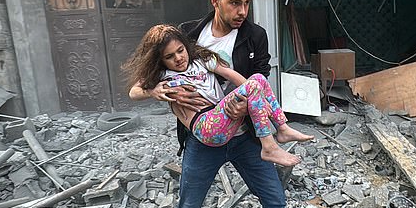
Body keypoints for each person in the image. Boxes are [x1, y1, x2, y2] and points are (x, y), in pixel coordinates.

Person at [124, 0, 308, 208]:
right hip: (202, 139)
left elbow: (254, 78)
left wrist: (245, 103)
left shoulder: (255, 36)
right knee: (189, 206)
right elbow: (144, 83)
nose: (242, 11)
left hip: (244, 137)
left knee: (275, 203)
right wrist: (161, 94)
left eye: (247, 3)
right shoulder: (187, 35)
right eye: (235, 3)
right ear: (216, 0)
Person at [127, 24, 312, 165]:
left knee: (257, 79)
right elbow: (133, 93)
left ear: (186, 45)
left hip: (221, 117)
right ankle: (269, 147)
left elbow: (233, 76)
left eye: (180, 50)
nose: (178, 58)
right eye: (169, 57)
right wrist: (152, 90)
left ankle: (282, 128)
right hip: (206, 126)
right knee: (254, 85)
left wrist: (256, 99)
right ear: (159, 60)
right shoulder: (162, 75)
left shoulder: (201, 60)